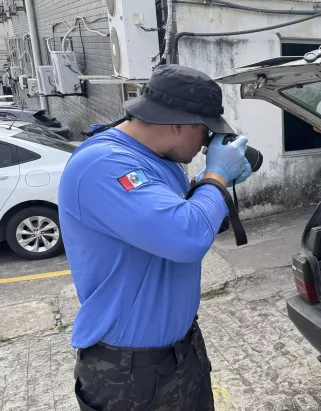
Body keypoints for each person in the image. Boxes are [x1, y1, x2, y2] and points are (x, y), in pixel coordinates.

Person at [58, 64, 254, 411]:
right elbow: (186, 236)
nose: (207, 143)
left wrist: (216, 187)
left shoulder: (160, 160)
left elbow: (186, 219)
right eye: (206, 131)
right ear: (179, 123)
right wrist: (216, 177)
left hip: (183, 351)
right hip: (129, 372)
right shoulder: (104, 164)